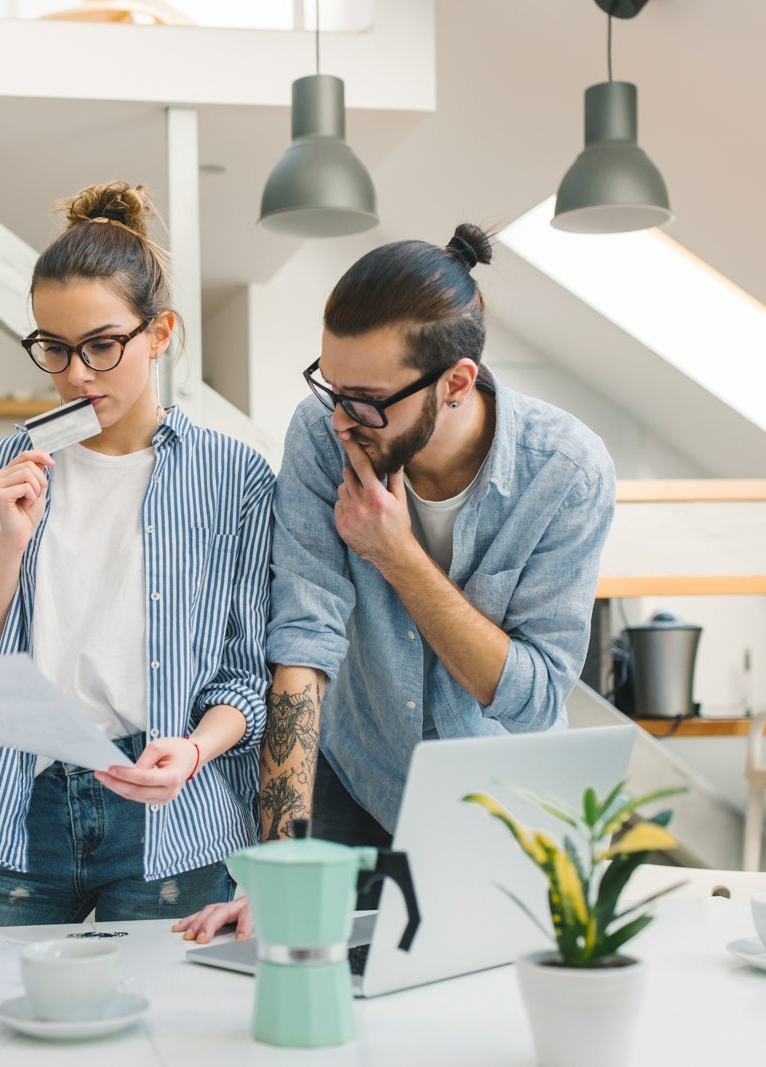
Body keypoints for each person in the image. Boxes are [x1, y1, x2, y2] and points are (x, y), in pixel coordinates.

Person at [174, 223, 616, 941]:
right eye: (331, 385)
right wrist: (277, 866)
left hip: (497, 800)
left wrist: (397, 553)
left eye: (367, 398)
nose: (343, 419)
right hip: (358, 778)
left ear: (455, 383)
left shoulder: (565, 471)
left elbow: (533, 699)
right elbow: (301, 649)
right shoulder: (325, 435)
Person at [0, 181, 275, 928]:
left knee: (173, 1034)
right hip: (19, 801)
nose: (76, 374)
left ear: (161, 333)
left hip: (168, 810)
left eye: (102, 345)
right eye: (53, 347)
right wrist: (12, 544)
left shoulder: (234, 477)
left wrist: (192, 749)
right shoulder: (5, 465)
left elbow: (247, 676)